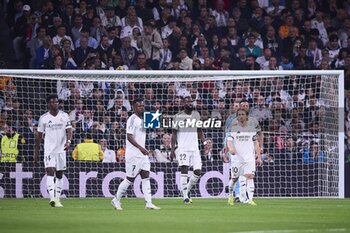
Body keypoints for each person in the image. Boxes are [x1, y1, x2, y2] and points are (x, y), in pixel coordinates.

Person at [111, 99, 160, 210]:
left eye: (142, 106)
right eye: (139, 106)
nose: (141, 107)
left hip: (142, 154)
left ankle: (148, 203)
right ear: (134, 107)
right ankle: (116, 199)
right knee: (130, 179)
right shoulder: (132, 119)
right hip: (133, 154)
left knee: (146, 177)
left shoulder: (143, 119)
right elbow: (129, 136)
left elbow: (156, 123)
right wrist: (141, 148)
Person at [35, 94, 73, 208]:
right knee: (50, 172)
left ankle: (57, 198)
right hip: (49, 150)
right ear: (48, 104)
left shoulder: (64, 116)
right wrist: (36, 150)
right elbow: (39, 136)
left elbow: (69, 130)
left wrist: (69, 142)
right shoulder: (44, 118)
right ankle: (52, 198)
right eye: (52, 102)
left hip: (61, 150)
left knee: (60, 175)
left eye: (56, 102)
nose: (55, 104)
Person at [170, 96, 208, 204]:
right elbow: (173, 134)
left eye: (191, 101)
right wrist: (172, 150)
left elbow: (200, 130)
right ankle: (185, 197)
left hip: (195, 148)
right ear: (183, 103)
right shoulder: (178, 116)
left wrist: (204, 142)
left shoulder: (196, 115)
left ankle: (185, 190)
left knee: (198, 172)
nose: (190, 103)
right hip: (183, 148)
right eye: (188, 101)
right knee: (184, 172)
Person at [227, 99, 263, 205]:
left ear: (246, 116)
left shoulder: (251, 128)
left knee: (250, 176)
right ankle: (230, 196)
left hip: (249, 157)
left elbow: (256, 142)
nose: (241, 116)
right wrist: (231, 148)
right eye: (239, 114)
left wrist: (259, 156)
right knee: (234, 179)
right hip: (237, 158)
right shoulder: (233, 127)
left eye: (243, 114)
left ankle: (250, 199)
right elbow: (229, 140)